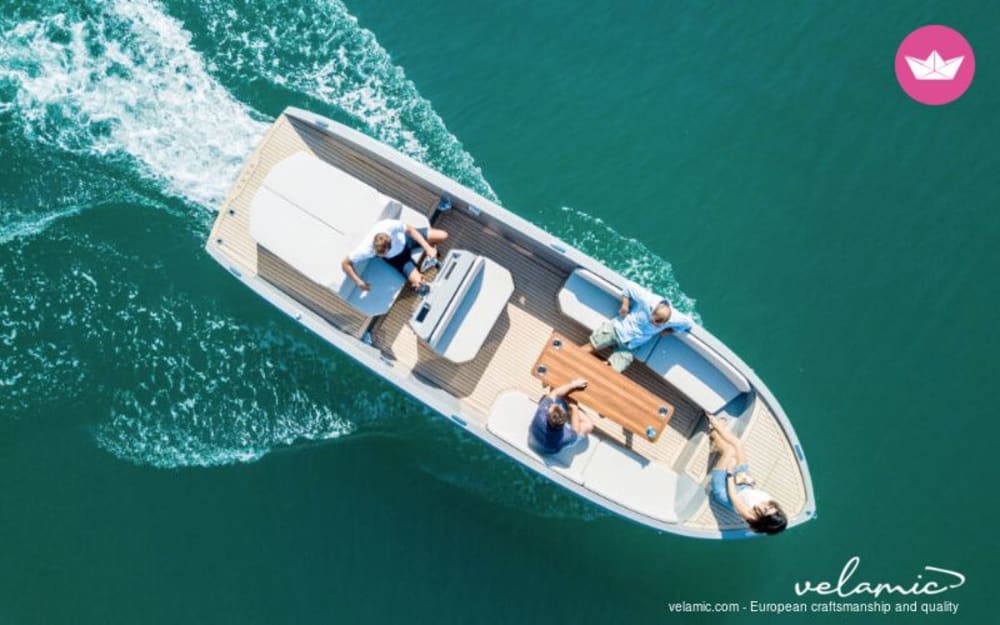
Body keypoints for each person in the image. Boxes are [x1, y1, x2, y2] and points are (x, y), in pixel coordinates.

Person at [581, 281, 693, 372]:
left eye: (658, 325)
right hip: (617, 329)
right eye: (653, 321)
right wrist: (625, 305)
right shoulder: (647, 300)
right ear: (652, 311)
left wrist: (670, 331)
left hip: (630, 346)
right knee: (590, 347)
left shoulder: (674, 319)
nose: (653, 325)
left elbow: (688, 323)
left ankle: (591, 371)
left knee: (612, 371)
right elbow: (629, 285)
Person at [706, 414, 787, 534]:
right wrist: (749, 481)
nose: (766, 505)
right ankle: (718, 427)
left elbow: (733, 496)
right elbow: (753, 492)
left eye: (765, 510)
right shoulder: (770, 503)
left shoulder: (751, 516)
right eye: (771, 507)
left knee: (729, 451)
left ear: (762, 519)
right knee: (737, 445)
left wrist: (730, 473)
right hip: (743, 484)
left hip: (724, 491)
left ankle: (713, 431)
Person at [341, 219, 448, 295]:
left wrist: (427, 247)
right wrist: (359, 282)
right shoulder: (365, 250)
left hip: (407, 240)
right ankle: (418, 274)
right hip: (400, 260)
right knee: (421, 285)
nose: (384, 255)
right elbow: (345, 263)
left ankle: (428, 256)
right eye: (381, 255)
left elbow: (410, 230)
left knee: (443, 235)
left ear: (390, 240)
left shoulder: (388, 226)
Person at [529, 378, 594, 455]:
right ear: (564, 423)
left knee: (551, 395)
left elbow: (555, 393)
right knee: (588, 425)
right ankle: (566, 404)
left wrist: (574, 384)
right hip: (549, 451)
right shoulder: (567, 436)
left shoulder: (541, 414)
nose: (552, 405)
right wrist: (574, 407)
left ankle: (564, 401)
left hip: (536, 440)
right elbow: (575, 430)